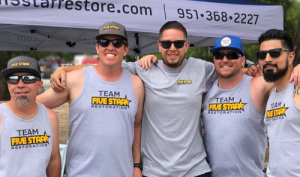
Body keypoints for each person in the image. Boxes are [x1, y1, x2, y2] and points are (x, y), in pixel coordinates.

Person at [51, 21, 217, 177]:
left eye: (178, 43)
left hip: (196, 170)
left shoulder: (203, 69)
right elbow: (104, 65)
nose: (172, 48)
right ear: (159, 45)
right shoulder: (144, 69)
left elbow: (229, 69)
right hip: (155, 170)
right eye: (166, 43)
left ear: (186, 46)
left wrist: (245, 72)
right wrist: (64, 69)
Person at [37, 21, 145, 177]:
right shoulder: (75, 79)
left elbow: (137, 126)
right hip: (81, 173)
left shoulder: (137, 84)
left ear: (125, 49)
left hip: (123, 172)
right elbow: (32, 106)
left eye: (117, 42)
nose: (110, 46)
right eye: (104, 42)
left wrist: (136, 166)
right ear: (97, 47)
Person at [201, 35, 273, 177]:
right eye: (219, 55)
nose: (225, 59)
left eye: (232, 55)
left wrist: (296, 69)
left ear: (242, 60)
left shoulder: (256, 85)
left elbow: (284, 78)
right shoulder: (205, 91)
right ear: (214, 60)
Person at [0, 56, 61, 177]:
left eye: (28, 78)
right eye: (13, 79)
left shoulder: (50, 117)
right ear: (8, 85)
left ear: (40, 85)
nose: (20, 84)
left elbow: (54, 159)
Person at [257, 29, 300, 177]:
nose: (267, 59)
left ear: (290, 56)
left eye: (275, 53)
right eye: (262, 55)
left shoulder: (298, 89)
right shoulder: (271, 94)